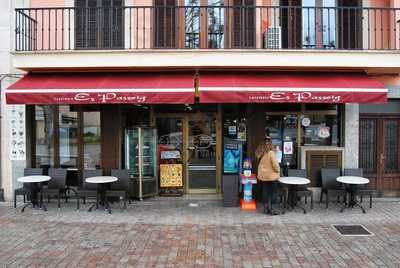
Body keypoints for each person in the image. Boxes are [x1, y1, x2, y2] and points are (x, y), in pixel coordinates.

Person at [255, 137, 281, 215]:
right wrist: (278, 170)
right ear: (270, 144)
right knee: (273, 193)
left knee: (265, 192)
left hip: (263, 177)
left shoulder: (259, 153)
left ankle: (266, 209)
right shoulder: (271, 153)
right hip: (272, 177)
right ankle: (272, 209)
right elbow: (275, 165)